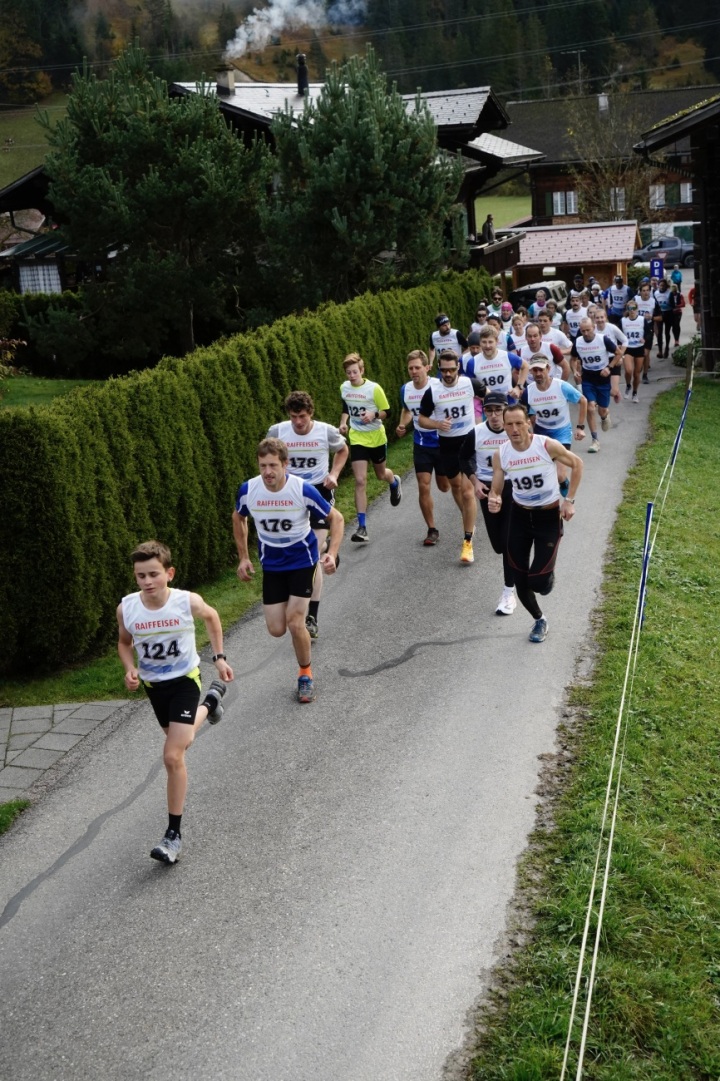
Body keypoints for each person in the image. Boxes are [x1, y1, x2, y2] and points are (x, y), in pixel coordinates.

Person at [117, 540, 234, 865]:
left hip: (184, 681)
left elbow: (211, 617)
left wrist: (219, 658)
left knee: (172, 755)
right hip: (155, 688)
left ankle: (173, 835)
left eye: (153, 574)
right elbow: (124, 643)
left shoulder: (186, 602)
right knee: (182, 741)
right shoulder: (127, 607)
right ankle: (211, 702)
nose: (147, 581)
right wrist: (130, 669)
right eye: (140, 576)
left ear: (169, 573)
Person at [233, 438, 343, 704]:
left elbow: (335, 518)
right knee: (276, 628)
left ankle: (305, 675)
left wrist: (332, 555)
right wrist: (244, 557)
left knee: (295, 622)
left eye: (273, 465)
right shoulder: (249, 490)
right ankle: (301, 649)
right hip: (272, 564)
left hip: (301, 560)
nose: (268, 472)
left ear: (285, 464)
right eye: (263, 466)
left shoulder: (302, 489)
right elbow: (239, 516)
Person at [488, 403, 583, 643]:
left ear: (528, 423)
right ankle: (539, 619)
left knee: (538, 581)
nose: (514, 428)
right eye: (509, 424)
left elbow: (577, 464)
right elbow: (497, 485)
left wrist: (569, 500)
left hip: (547, 517)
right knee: (519, 577)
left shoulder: (546, 445)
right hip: (519, 517)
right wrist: (494, 498)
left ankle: (545, 578)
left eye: (519, 423)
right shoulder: (502, 454)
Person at [267, 390, 348, 640]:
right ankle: (327, 550)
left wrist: (333, 474)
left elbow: (343, 450)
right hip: (289, 495)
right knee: (313, 550)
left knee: (312, 551)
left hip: (317, 493)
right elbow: (269, 456)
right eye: (293, 417)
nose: (298, 422)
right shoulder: (278, 431)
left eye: (302, 416)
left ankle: (311, 616)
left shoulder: (325, 431)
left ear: (310, 413)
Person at [418, 349, 486, 563]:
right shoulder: (433, 391)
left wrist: (485, 420)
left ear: (458, 367)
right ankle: (468, 518)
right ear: (439, 368)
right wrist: (438, 424)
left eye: (451, 370)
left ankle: (467, 543)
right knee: (455, 487)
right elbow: (421, 419)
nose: (448, 374)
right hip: (446, 445)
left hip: (468, 442)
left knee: (467, 493)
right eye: (444, 370)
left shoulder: (469, 384)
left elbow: (490, 397)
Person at [459, 391, 516, 615]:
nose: (494, 416)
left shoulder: (515, 431)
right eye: (489, 411)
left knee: (509, 541)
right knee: (498, 545)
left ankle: (508, 592)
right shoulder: (477, 433)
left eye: (498, 411)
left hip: (512, 487)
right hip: (488, 488)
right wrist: (474, 481)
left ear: (505, 411)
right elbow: (463, 457)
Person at [338, 353, 402, 542]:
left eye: (355, 372)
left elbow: (388, 412)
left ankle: (394, 482)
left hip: (376, 438)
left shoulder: (374, 389)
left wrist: (373, 415)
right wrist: (343, 422)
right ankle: (362, 527)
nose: (351, 376)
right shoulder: (344, 387)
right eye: (348, 372)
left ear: (362, 371)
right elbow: (345, 407)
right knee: (360, 480)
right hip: (357, 437)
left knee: (381, 475)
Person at [396, 349, 450, 545]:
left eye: (417, 367)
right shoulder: (405, 389)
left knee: (444, 487)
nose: (413, 371)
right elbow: (407, 410)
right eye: (410, 368)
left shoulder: (439, 385)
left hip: (442, 440)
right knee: (423, 485)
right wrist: (403, 424)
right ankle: (432, 529)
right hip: (421, 443)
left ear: (427, 368)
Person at [521, 354, 586, 497]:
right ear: (531, 371)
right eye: (535, 370)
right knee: (543, 473)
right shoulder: (529, 391)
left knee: (560, 475)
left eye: (541, 370)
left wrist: (580, 427)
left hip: (561, 432)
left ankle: (564, 485)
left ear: (548, 369)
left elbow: (583, 400)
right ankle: (549, 501)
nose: (538, 373)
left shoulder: (561, 386)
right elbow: (524, 412)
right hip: (541, 432)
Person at [571, 317, 621, 452]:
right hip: (588, 379)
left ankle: (605, 415)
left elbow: (618, 353)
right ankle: (595, 440)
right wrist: (575, 370)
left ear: (593, 327)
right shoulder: (578, 342)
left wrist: (609, 368)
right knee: (590, 407)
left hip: (603, 378)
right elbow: (573, 359)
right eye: (583, 331)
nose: (586, 333)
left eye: (588, 330)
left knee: (602, 409)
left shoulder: (603, 339)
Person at [464, 325, 528, 403]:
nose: (487, 346)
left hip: (508, 402)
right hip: (487, 405)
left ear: (497, 341)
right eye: (484, 342)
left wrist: (519, 387)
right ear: (480, 342)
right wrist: (481, 397)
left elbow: (525, 366)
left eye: (490, 342)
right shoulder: (472, 363)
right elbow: (468, 385)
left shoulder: (507, 356)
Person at [620, 301, 647, 402]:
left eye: (634, 308)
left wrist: (645, 339)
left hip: (639, 348)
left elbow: (649, 332)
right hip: (628, 348)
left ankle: (635, 392)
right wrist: (620, 343)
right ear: (627, 310)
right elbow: (618, 333)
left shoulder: (642, 320)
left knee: (636, 374)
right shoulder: (623, 320)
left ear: (637, 309)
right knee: (628, 370)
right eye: (630, 309)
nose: (632, 311)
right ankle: (628, 385)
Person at [653, 278, 673, 358]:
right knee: (659, 333)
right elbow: (654, 304)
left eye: (663, 286)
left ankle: (667, 348)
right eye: (660, 285)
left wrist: (666, 305)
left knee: (667, 332)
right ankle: (660, 351)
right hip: (659, 314)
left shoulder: (669, 293)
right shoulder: (656, 293)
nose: (662, 287)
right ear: (658, 286)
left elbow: (673, 305)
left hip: (668, 313)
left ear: (666, 286)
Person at [669, 283, 685, 348]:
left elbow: (683, 304)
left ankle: (677, 340)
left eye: (675, 288)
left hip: (678, 312)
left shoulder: (680, 295)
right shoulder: (669, 295)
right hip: (671, 312)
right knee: (673, 326)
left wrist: (676, 306)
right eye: (672, 288)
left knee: (677, 324)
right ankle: (675, 339)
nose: (674, 290)